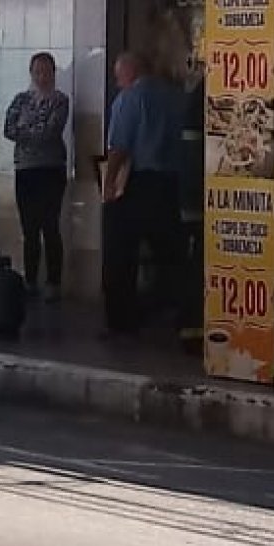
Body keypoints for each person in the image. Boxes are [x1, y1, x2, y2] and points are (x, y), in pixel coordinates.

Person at [100, 51, 187, 338]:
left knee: (120, 253)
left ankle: (122, 319)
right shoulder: (176, 97)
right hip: (171, 182)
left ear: (130, 72)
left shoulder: (130, 98)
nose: (116, 81)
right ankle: (178, 314)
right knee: (171, 253)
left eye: (118, 75)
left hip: (136, 182)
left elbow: (120, 146)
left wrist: (109, 182)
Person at [2, 53, 70, 304]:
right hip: (25, 170)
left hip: (51, 169)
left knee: (49, 226)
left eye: (46, 72)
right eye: (37, 72)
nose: (42, 77)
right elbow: (8, 129)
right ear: (31, 73)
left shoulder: (60, 100)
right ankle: (30, 281)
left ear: (53, 73)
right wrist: (32, 131)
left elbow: (51, 132)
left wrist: (25, 132)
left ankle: (54, 282)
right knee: (29, 228)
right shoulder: (21, 99)